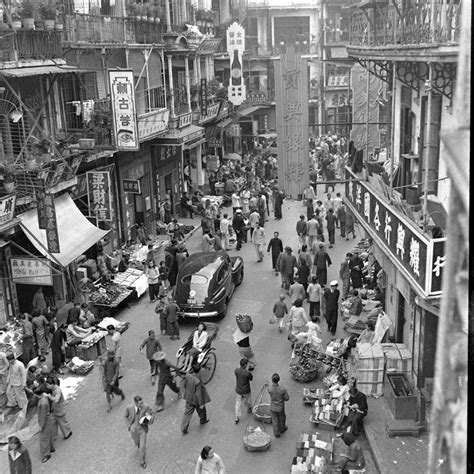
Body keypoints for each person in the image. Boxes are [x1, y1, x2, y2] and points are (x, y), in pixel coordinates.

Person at [124, 395, 154, 470]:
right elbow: (125, 416)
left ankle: (142, 461)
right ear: (136, 403)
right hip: (134, 430)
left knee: (142, 446)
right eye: (140, 403)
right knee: (137, 443)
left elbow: (152, 413)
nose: (142, 404)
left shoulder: (146, 406)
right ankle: (138, 444)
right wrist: (129, 426)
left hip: (143, 429)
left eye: (142, 402)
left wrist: (149, 418)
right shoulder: (129, 408)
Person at [181, 363, 210, 435]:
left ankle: (184, 427)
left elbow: (184, 385)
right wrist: (201, 404)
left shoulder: (188, 376)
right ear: (199, 371)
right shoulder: (198, 382)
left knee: (187, 413)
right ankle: (203, 420)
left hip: (188, 397)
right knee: (202, 410)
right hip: (196, 400)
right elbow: (199, 394)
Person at [45, 375, 73, 442]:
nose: (47, 386)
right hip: (56, 409)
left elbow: (56, 400)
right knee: (59, 422)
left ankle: (67, 433)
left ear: (52, 384)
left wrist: (49, 397)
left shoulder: (57, 391)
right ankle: (64, 433)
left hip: (59, 409)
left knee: (62, 422)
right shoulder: (53, 389)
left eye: (48, 385)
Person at [36, 384, 55, 463]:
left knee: (44, 439)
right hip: (48, 419)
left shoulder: (42, 403)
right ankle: (51, 447)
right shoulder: (45, 397)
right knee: (48, 435)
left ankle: (46, 454)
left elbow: (43, 416)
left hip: (45, 421)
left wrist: (41, 426)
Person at [267, 373, 289, 438]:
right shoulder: (282, 389)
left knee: (274, 420)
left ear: (272, 380)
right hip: (280, 407)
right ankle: (282, 429)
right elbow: (287, 398)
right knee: (282, 418)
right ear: (279, 380)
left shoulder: (269, 389)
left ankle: (276, 433)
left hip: (273, 407)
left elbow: (269, 391)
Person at [234, 358, 253, 424]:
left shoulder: (236, 370)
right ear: (245, 365)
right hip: (246, 390)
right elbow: (251, 378)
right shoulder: (247, 373)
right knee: (247, 400)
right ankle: (249, 408)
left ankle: (236, 417)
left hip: (238, 390)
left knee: (238, 403)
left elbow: (237, 371)